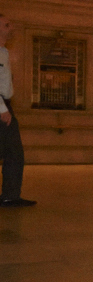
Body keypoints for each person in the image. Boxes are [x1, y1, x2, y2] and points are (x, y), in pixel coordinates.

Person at [0, 15, 33, 206]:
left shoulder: (3, 51)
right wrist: (2, 109)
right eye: (6, 25)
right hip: (2, 106)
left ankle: (10, 195)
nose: (11, 27)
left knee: (13, 151)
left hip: (5, 104)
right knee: (13, 151)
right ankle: (10, 195)